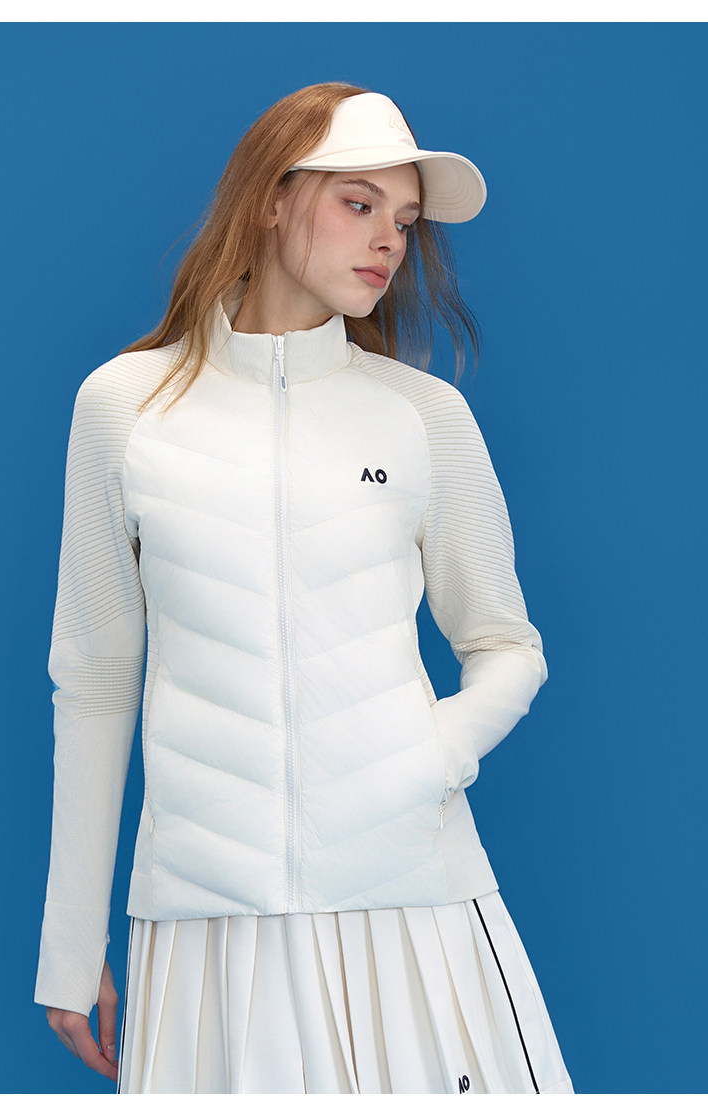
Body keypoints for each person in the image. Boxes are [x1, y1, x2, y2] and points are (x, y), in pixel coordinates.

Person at [34, 82, 574, 1094]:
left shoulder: (422, 415)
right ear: (271, 199)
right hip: (207, 920)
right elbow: (96, 678)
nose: (388, 240)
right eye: (358, 203)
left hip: (409, 904)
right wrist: (70, 944)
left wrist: (432, 753)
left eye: (403, 220)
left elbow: (508, 644)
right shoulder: (125, 407)